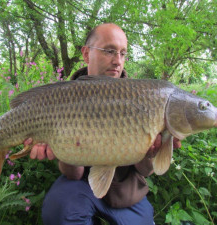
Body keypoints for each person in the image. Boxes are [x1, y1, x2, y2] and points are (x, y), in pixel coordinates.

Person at [24, 23, 181, 225]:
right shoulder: (62, 98)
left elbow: (145, 171)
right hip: (80, 187)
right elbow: (74, 173)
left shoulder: (144, 98)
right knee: (59, 209)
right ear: (87, 54)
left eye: (123, 53)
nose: (118, 61)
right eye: (109, 51)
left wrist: (151, 153)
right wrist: (59, 148)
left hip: (127, 192)